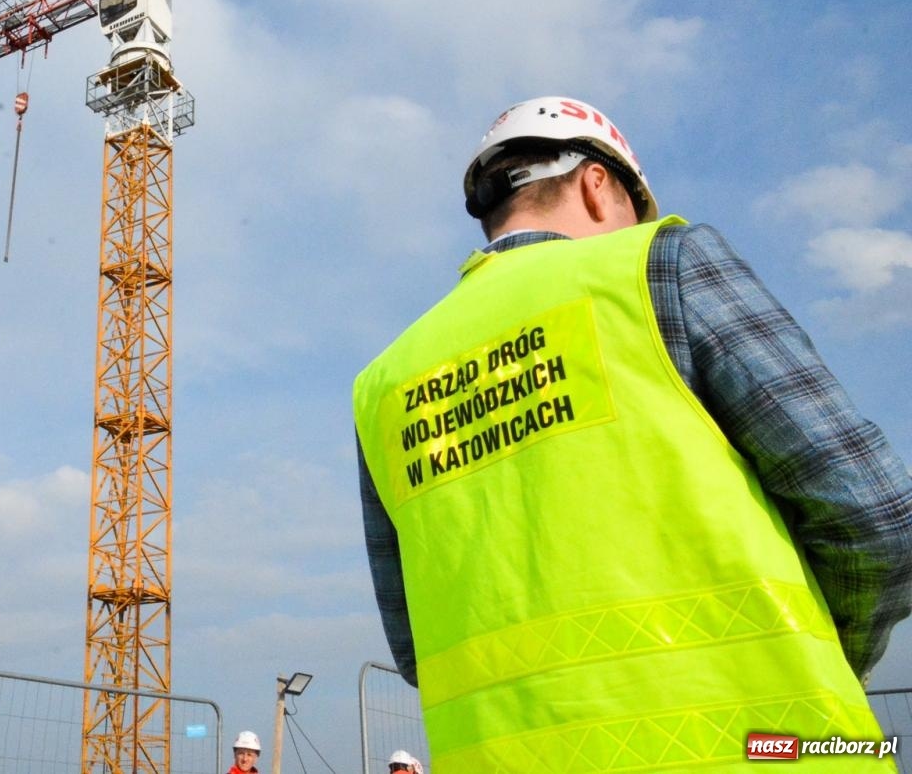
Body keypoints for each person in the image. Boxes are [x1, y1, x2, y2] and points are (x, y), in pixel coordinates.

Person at [353, 96, 912, 771]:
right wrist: (832, 646)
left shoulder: (384, 384)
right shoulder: (659, 265)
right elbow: (876, 512)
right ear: (597, 186)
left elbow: (414, 646)